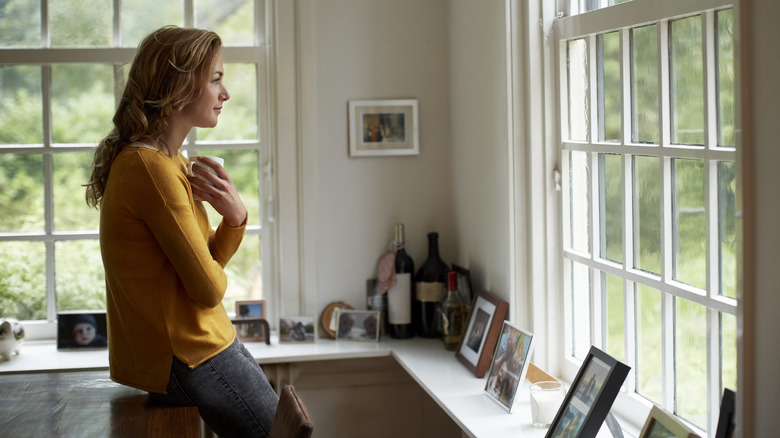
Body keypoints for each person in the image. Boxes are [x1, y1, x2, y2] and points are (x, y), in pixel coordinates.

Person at [85, 25, 278, 437]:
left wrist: (234, 218)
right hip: (190, 354)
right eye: (216, 79)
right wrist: (232, 225)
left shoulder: (167, 163)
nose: (225, 94)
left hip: (200, 346)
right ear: (178, 85)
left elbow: (201, 267)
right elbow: (207, 288)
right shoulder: (151, 169)